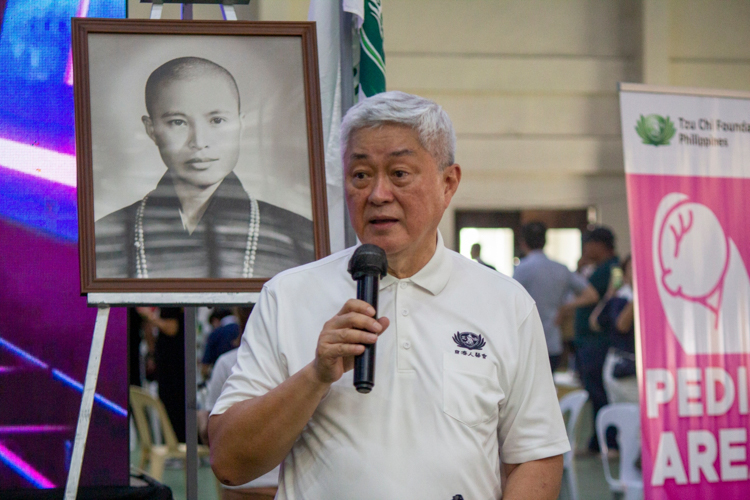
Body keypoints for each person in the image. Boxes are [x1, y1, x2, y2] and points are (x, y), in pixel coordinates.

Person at [209, 91, 568, 499]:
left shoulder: (506, 303)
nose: (378, 194)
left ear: (448, 183)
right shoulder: (288, 296)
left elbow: (535, 456)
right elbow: (230, 462)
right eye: (361, 175)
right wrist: (316, 376)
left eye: (399, 173)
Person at [95, 56, 315, 279]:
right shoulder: (106, 235)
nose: (199, 142)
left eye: (217, 120)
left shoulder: (299, 236)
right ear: (151, 130)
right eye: (177, 122)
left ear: (241, 124)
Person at [513, 221, 599, 372]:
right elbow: (591, 295)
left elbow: (510, 303)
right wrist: (565, 307)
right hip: (553, 341)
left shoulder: (522, 269)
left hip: (527, 342)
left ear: (523, 243)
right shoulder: (560, 268)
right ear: (545, 241)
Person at [574, 225, 619, 452]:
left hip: (597, 343)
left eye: (589, 244)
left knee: (599, 393)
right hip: (589, 342)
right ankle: (598, 441)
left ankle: (606, 442)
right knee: (594, 393)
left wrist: (566, 307)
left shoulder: (609, 269)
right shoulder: (598, 269)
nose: (586, 249)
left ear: (600, 245)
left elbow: (585, 295)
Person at [590, 255, 638, 404]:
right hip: (621, 366)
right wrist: (611, 293)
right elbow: (597, 323)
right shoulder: (621, 298)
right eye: (631, 268)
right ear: (624, 274)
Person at [201, 308, 241, 379]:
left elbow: (205, 367)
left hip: (221, 377)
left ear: (215, 320)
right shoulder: (244, 329)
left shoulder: (216, 333)